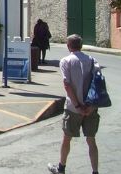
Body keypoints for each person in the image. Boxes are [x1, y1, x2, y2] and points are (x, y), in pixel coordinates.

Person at [48, 34, 100, 174]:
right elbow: (98, 84)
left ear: (68, 46)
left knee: (67, 139)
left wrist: (77, 106)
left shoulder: (66, 61)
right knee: (91, 140)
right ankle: (95, 171)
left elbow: (67, 84)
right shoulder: (92, 60)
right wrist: (90, 106)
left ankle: (61, 168)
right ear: (81, 45)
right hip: (91, 107)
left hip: (73, 108)